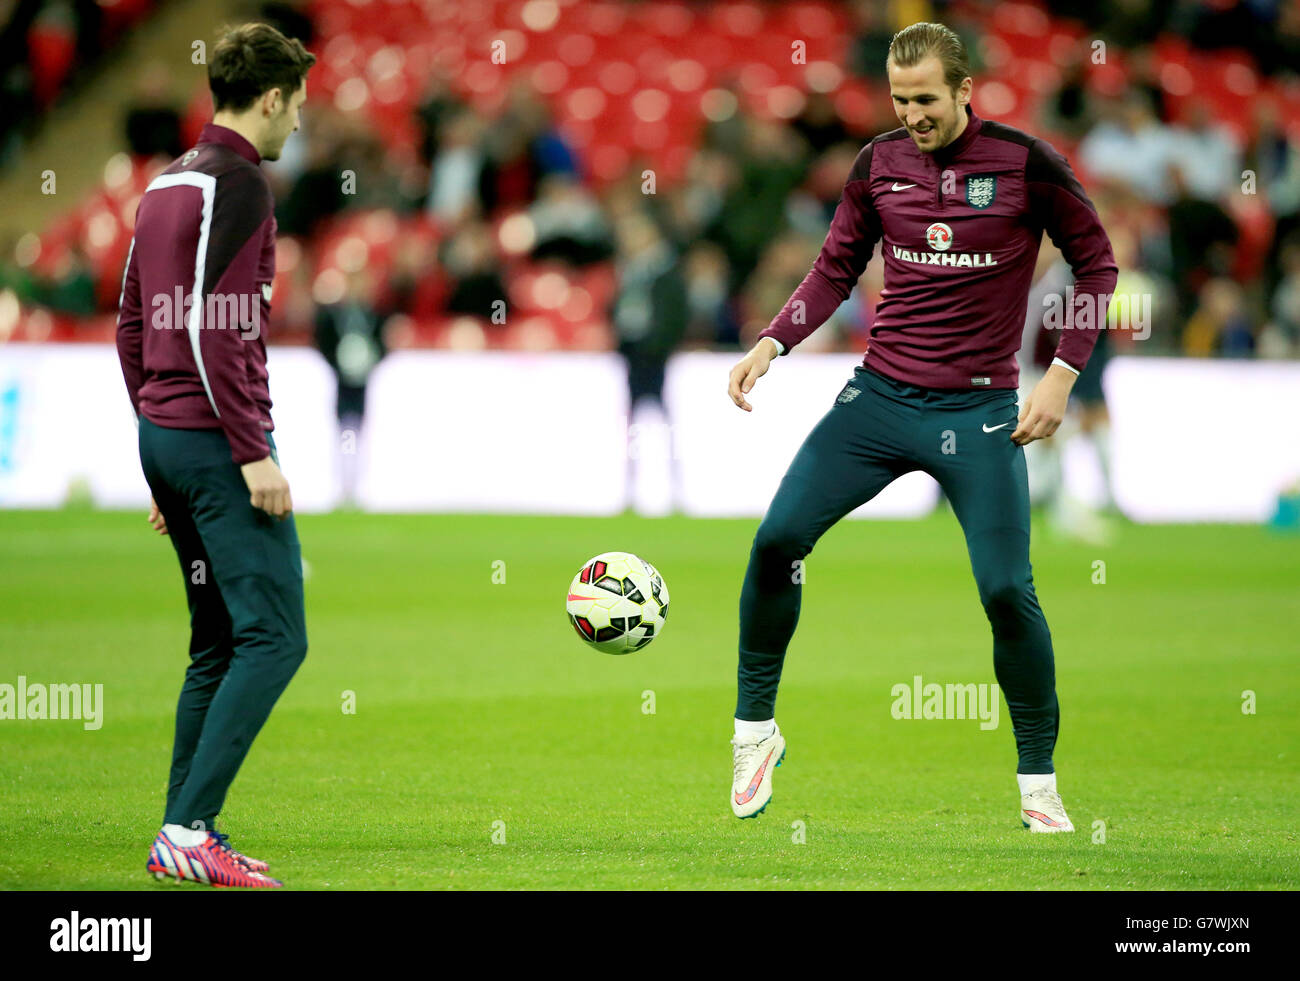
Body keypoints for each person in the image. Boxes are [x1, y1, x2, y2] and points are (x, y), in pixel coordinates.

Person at [724, 22, 1117, 832]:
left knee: (1008, 589)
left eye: (927, 99)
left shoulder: (1027, 165)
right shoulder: (877, 164)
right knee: (775, 541)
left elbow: (1098, 263)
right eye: (901, 100)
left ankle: (1038, 784)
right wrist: (772, 339)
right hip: (879, 400)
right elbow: (836, 264)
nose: (913, 115)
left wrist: (1062, 375)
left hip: (979, 411)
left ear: (966, 90)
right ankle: (754, 733)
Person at [115, 22, 315, 887]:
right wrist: (249, 451)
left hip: (167, 433)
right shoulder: (240, 186)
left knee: (220, 638)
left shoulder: (166, 184)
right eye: (297, 105)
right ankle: (190, 829)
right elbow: (218, 328)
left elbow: (132, 324)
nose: (300, 123)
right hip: (211, 436)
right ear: (269, 98)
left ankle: (181, 826)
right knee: (274, 637)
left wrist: (157, 442)